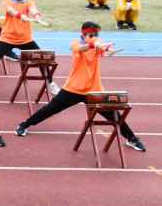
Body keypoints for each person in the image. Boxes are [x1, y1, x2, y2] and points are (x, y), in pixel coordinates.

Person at [15, 22, 144, 151]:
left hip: (94, 90)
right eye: (91, 35)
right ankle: (25, 124)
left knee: (115, 115)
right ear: (83, 35)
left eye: (96, 35)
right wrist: (93, 44)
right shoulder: (76, 44)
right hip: (74, 88)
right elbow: (83, 49)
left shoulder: (98, 42)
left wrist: (109, 50)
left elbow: (104, 47)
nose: (94, 37)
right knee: (51, 109)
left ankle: (131, 139)